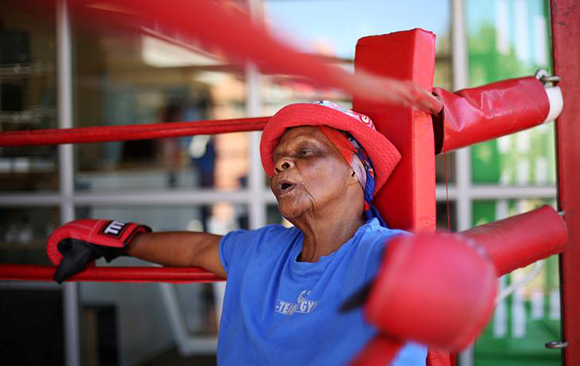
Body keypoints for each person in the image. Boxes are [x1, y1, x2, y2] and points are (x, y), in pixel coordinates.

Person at [47, 100, 427, 365]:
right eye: (279, 161)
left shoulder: (386, 255)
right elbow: (197, 249)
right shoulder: (265, 248)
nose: (282, 164)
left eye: (306, 151)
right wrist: (115, 237)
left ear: (354, 170)